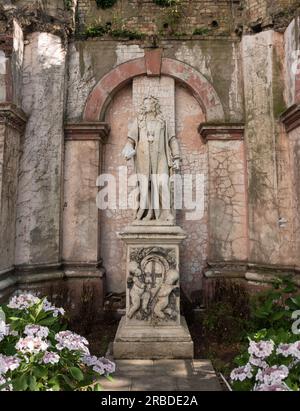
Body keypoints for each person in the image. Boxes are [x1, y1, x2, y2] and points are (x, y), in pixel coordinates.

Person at [122, 96, 180, 221]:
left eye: (148, 103)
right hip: (143, 158)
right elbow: (130, 140)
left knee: (163, 183)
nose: (146, 105)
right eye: (145, 104)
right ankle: (148, 213)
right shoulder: (139, 121)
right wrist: (128, 149)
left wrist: (176, 158)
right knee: (146, 185)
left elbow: (172, 139)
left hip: (160, 157)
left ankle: (166, 212)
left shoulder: (162, 121)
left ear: (154, 106)